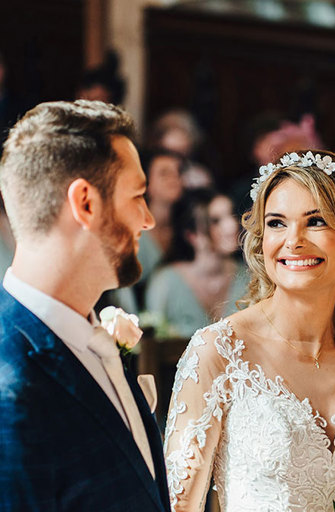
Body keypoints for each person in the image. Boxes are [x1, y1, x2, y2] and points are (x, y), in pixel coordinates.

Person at [164, 150, 335, 511]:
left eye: (316, 221)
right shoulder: (218, 352)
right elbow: (177, 506)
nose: (294, 240)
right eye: (277, 223)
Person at [0, 100, 169, 511]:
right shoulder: (11, 387)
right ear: (86, 204)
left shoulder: (90, 338)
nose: (148, 220)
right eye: (138, 196)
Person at [145, 189, 248, 338]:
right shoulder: (165, 283)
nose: (231, 226)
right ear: (192, 235)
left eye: (231, 215)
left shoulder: (248, 278)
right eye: (215, 221)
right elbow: (151, 346)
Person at [137, 148, 185, 285]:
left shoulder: (186, 228)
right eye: (165, 173)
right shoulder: (134, 231)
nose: (175, 179)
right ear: (146, 182)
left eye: (179, 172)